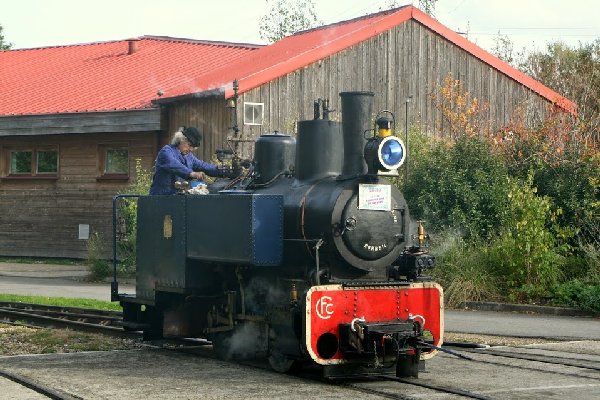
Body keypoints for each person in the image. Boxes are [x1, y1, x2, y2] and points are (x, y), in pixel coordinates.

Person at [149, 126, 220, 195]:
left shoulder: (189, 157)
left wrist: (221, 170)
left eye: (193, 147)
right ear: (180, 140)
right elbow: (174, 164)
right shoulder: (166, 151)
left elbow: (203, 165)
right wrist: (192, 173)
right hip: (160, 198)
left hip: (177, 199)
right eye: (189, 145)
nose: (191, 149)